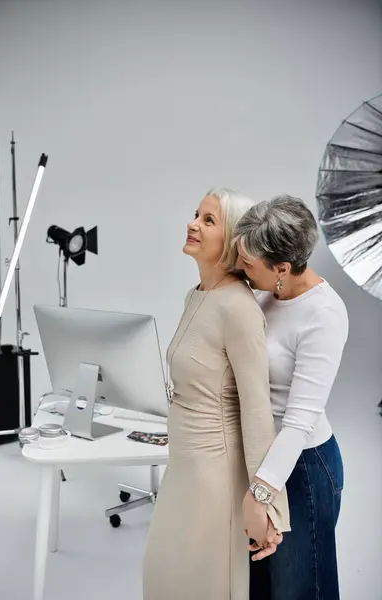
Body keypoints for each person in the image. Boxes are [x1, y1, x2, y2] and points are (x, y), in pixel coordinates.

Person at [142, 189, 290, 600]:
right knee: (161, 576)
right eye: (196, 215)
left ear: (234, 241)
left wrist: (267, 505)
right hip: (182, 466)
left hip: (214, 475)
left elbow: (258, 413)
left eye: (209, 220)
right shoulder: (196, 296)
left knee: (201, 585)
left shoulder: (239, 309)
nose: (193, 224)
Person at [233, 195, 349, 600]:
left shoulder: (324, 315)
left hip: (301, 467)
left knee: (300, 590)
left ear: (282, 268)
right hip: (264, 456)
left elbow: (298, 422)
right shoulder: (264, 292)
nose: (241, 269)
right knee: (262, 588)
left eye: (249, 263)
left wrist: (260, 494)